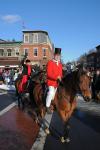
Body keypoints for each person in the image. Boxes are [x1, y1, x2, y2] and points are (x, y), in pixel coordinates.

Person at [46, 48, 63, 112]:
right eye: (56, 55)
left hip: (57, 83)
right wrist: (57, 77)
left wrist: (61, 78)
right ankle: (47, 106)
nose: (58, 57)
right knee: (51, 93)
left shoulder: (60, 64)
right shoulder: (50, 62)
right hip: (51, 82)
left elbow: (61, 74)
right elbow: (49, 74)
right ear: (54, 55)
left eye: (59, 56)